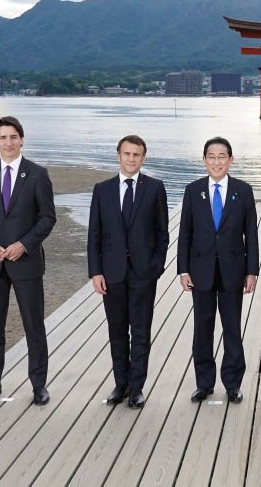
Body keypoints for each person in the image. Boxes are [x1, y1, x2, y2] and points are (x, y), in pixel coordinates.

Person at [0, 116, 56, 406]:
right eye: (3, 137)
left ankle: (39, 385)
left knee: (34, 327)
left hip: (26, 263)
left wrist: (25, 245)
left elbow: (47, 218)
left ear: (21, 139)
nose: (8, 142)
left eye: (13, 137)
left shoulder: (37, 174)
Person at [87, 135, 169, 409]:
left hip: (144, 272)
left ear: (143, 158)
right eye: (126, 154)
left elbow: (162, 232)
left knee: (141, 330)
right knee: (117, 330)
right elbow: (94, 235)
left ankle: (136, 387)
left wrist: (157, 266)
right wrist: (95, 272)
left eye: (136, 154)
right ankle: (120, 384)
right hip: (112, 273)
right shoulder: (102, 190)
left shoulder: (155, 188)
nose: (131, 158)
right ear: (118, 156)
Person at [178, 137, 259, 404]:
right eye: (211, 156)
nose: (216, 161)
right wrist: (183, 270)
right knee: (202, 328)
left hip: (233, 270)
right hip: (200, 270)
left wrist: (252, 271)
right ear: (204, 160)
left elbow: (252, 234)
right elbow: (185, 234)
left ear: (231, 160)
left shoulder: (243, 191)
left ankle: (233, 383)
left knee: (232, 328)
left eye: (222, 156)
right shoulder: (193, 191)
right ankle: (204, 383)